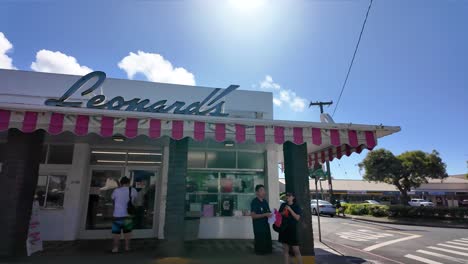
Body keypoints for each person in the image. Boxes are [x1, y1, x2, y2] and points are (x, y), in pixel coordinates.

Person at [111, 177, 137, 253]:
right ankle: (127, 247)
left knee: (116, 233)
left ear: (121, 183)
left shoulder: (116, 190)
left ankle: (115, 248)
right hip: (128, 215)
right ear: (128, 183)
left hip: (117, 215)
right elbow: (134, 201)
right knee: (127, 232)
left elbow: (112, 199)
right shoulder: (133, 190)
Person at [278, 192, 303, 264]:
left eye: (289, 195)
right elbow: (279, 215)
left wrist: (290, 209)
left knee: (296, 250)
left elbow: (297, 218)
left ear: (293, 197)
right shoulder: (283, 205)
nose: (287, 197)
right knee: (285, 250)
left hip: (292, 230)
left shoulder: (296, 206)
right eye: (287, 195)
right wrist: (283, 212)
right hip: (284, 229)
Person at [250, 184, 273, 254]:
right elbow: (253, 216)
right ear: (257, 192)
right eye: (261, 190)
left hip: (266, 226)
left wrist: (273, 215)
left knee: (268, 248)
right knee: (260, 249)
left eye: (264, 190)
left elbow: (268, 213)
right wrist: (264, 215)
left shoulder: (265, 202)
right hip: (258, 227)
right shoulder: (254, 202)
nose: (263, 192)